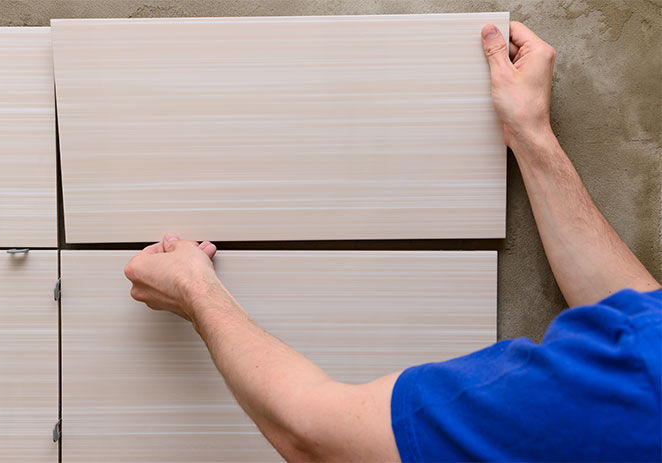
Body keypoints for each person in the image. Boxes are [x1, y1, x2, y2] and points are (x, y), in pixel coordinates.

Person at [123, 22, 661, 461]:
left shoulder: (587, 408)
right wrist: (531, 133)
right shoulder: (643, 371)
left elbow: (313, 436)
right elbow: (634, 318)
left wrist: (196, 292)